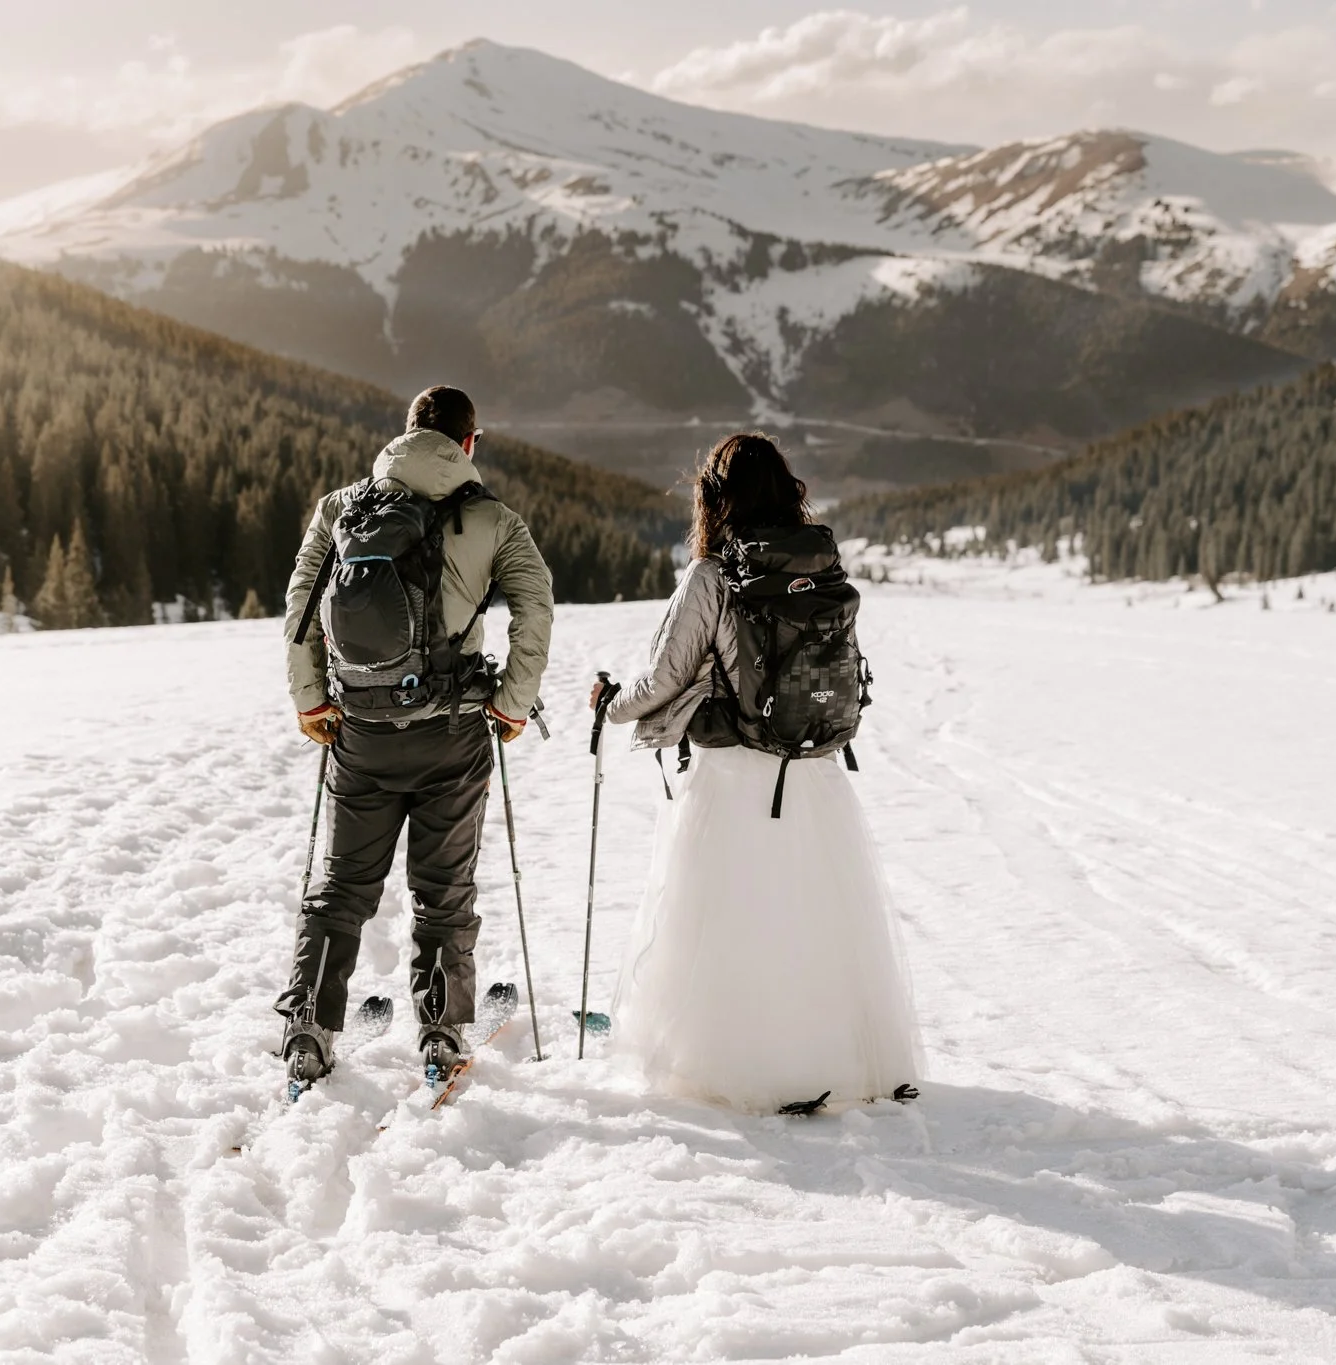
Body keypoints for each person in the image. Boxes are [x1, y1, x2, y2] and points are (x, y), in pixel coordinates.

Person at [596, 432, 921, 1113]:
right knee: (812, 921)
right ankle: (833, 1060)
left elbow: (661, 679)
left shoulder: (714, 577)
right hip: (816, 774)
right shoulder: (821, 568)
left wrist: (609, 705)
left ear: (715, 500)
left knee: (734, 921)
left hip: (735, 777)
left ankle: (742, 1068)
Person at [277, 385, 553, 1093]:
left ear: (404, 436)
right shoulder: (493, 518)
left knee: (340, 887)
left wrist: (313, 700)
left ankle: (309, 1026)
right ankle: (440, 1027)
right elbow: (534, 605)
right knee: (442, 890)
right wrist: (513, 703)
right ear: (470, 443)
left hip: (361, 731)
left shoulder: (343, 508)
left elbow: (302, 606)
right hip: (454, 733)